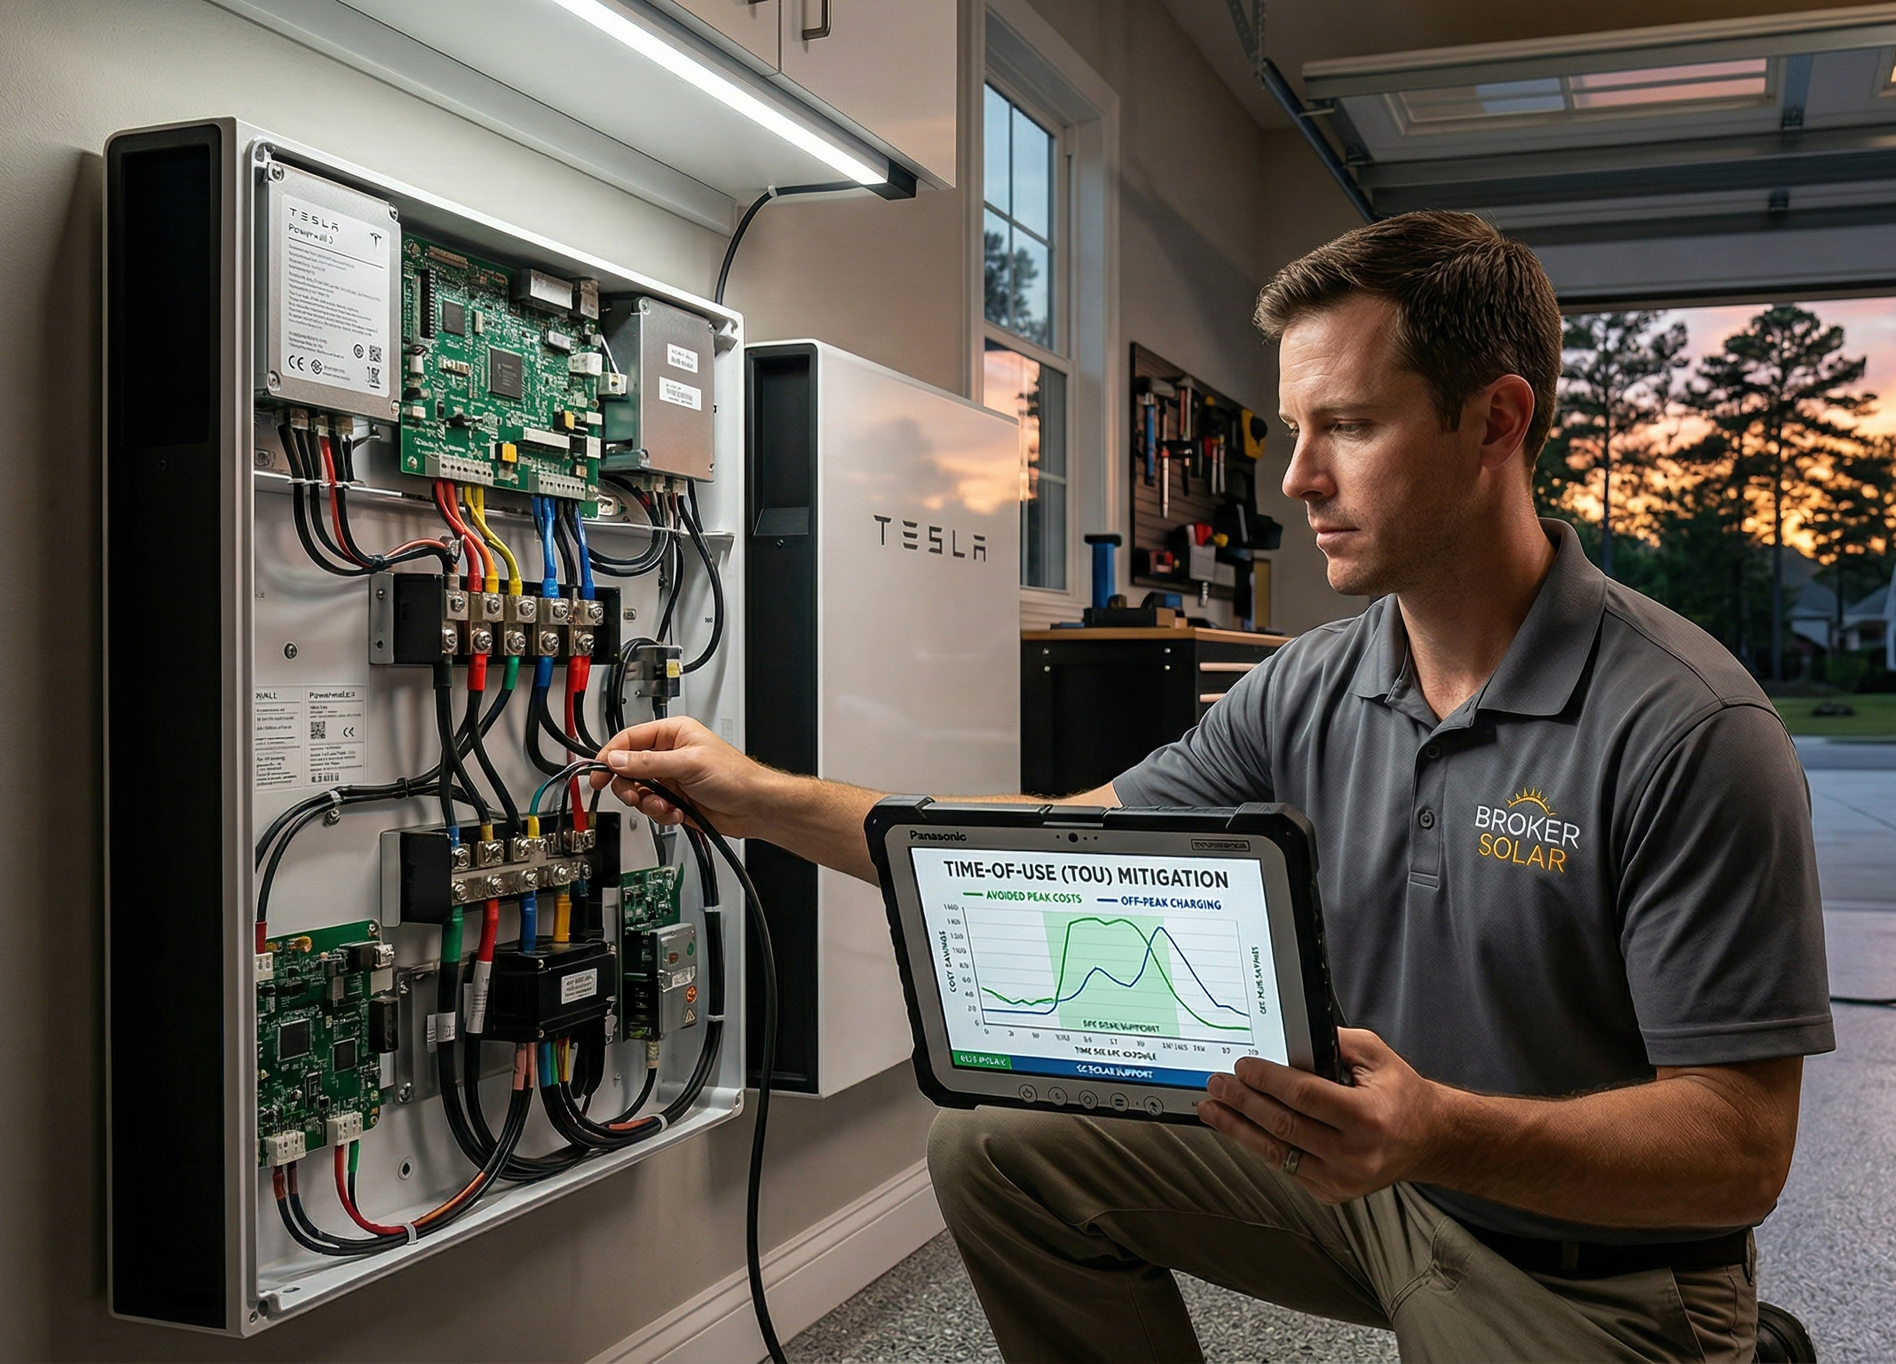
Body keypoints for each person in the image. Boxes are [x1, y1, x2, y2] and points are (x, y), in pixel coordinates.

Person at [595, 210, 1831, 1363]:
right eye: (1297, 429)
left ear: (1497, 421)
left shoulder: (1685, 724)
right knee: (1001, 1146)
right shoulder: (1310, 686)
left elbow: (1737, 1149)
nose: (1297, 478)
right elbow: (1053, 847)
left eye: (1346, 425)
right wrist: (757, 795)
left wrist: (1443, 1127)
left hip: (1594, 1267)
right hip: (1385, 1190)